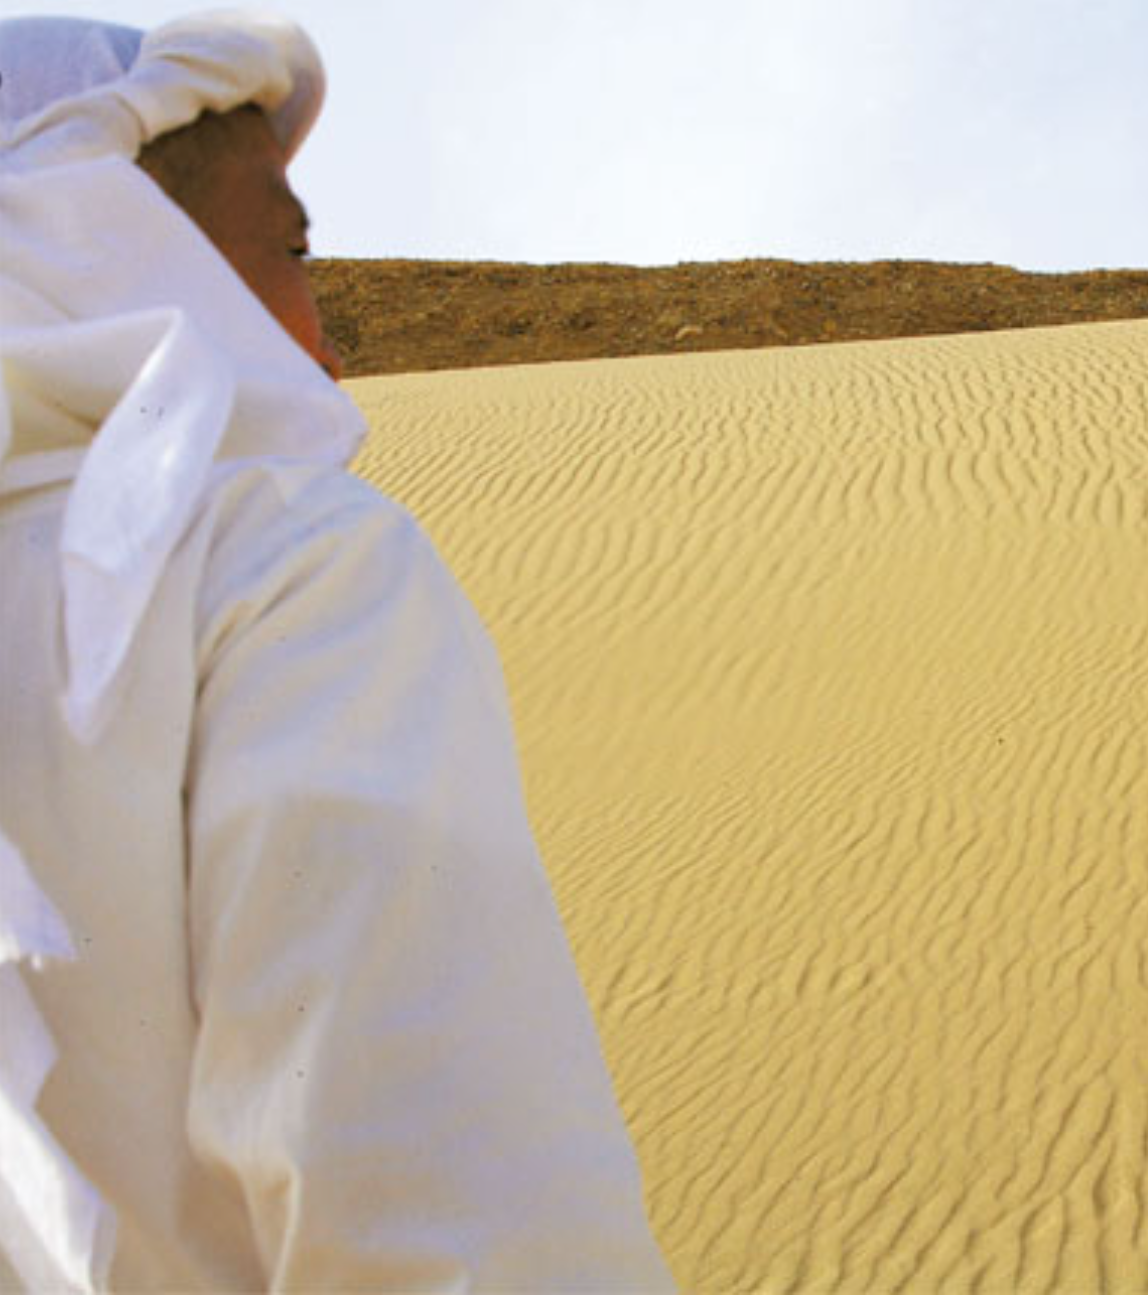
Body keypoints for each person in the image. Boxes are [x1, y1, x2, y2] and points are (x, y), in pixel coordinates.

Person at [0, 12, 674, 1291]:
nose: (328, 342)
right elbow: (463, 1227)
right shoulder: (281, 562)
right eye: (293, 248)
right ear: (107, 231)